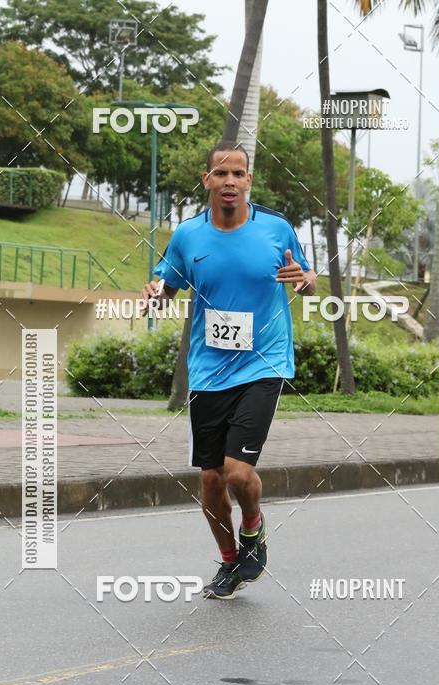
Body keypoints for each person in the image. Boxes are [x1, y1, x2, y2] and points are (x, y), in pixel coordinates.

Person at [143, 140, 317, 599]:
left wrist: (307, 281)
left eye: (238, 174)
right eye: (221, 174)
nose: (230, 182)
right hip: (209, 370)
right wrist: (157, 292)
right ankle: (229, 562)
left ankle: (254, 530)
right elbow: (167, 282)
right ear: (207, 181)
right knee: (210, 480)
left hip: (264, 362)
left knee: (238, 473)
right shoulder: (188, 236)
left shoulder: (276, 230)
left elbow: (307, 278)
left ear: (249, 181)